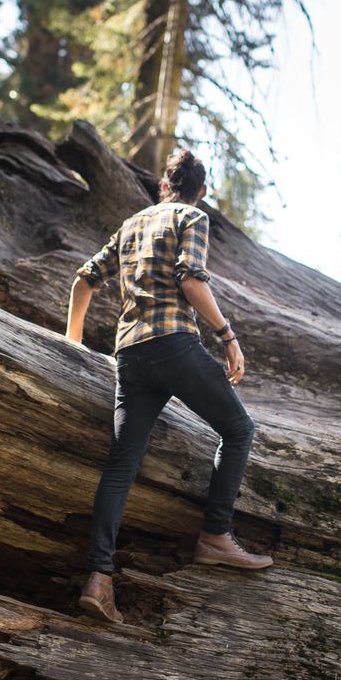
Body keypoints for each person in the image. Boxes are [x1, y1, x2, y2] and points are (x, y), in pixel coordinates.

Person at [64, 147, 273, 624]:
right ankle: (215, 537)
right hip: (175, 346)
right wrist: (228, 337)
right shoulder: (191, 218)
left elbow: (85, 279)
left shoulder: (133, 223)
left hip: (131, 355)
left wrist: (73, 341)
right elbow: (192, 281)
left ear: (163, 185)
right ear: (201, 193)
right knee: (239, 430)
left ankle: (99, 579)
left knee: (121, 467)